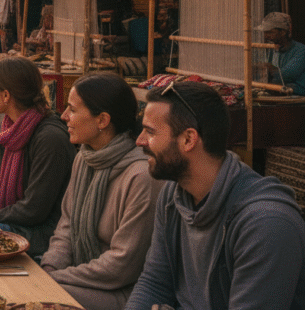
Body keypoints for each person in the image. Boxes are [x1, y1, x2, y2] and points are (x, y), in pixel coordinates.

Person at [125, 80, 305, 310]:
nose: (139, 141)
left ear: (188, 139)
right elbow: (154, 282)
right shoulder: (173, 195)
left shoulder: (266, 225)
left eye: (150, 131)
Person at [40, 73, 161, 310]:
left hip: (122, 293)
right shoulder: (84, 158)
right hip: (76, 277)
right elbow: (66, 227)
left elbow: (122, 266)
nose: (64, 116)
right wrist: (49, 269)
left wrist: (53, 280)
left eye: (73, 110)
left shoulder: (141, 176)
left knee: (36, 297)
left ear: (102, 120)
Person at [0, 56, 75, 258]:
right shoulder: (9, 130)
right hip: (14, 222)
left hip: (43, 234)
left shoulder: (50, 138)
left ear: (6, 95)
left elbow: (33, 210)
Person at [255, 11, 305, 95]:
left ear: (283, 32)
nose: (265, 36)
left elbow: (287, 76)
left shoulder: (301, 50)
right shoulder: (273, 49)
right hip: (280, 91)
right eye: (264, 32)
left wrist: (269, 67)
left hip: (297, 96)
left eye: (269, 32)